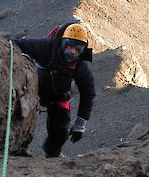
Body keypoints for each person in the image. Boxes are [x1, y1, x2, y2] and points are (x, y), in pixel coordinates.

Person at [12, 23, 95, 157]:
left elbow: (88, 93)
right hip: (33, 91)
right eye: (70, 45)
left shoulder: (81, 66)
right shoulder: (47, 47)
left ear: (83, 50)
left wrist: (80, 124)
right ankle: (16, 151)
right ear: (62, 42)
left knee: (61, 133)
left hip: (58, 96)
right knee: (20, 123)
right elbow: (16, 44)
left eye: (77, 48)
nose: (72, 51)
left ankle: (52, 154)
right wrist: (18, 57)